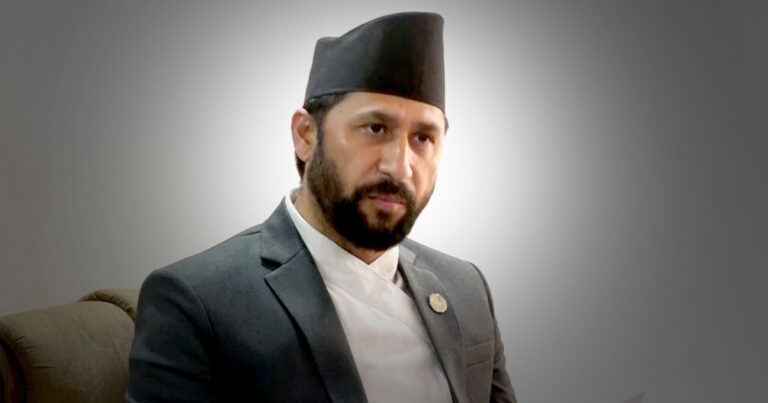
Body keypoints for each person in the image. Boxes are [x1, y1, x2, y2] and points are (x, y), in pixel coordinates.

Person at [126, 12, 517, 403]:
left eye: (423, 138)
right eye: (375, 128)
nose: (400, 167)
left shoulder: (465, 286)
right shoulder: (196, 301)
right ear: (306, 135)